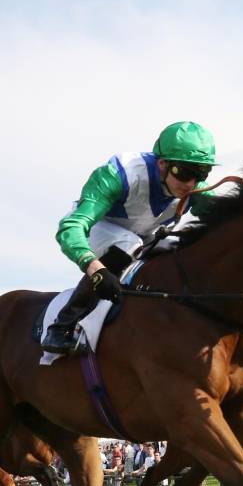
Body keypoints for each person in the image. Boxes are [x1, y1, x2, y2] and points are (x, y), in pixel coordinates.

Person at [42, 121, 217, 355]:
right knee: (129, 244)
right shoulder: (119, 173)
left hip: (143, 236)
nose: (191, 184)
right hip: (101, 227)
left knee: (183, 248)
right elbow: (71, 227)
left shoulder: (196, 188)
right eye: (183, 173)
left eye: (201, 173)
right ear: (162, 163)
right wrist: (95, 269)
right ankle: (63, 324)